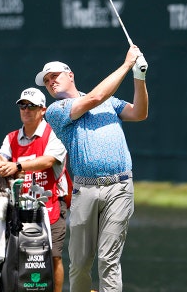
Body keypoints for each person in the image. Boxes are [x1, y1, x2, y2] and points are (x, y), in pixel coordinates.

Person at [35, 45, 148, 292]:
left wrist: (139, 78)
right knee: (80, 262)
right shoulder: (56, 110)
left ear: (70, 75)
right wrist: (127, 64)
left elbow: (139, 113)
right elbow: (94, 98)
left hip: (120, 187)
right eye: (46, 81)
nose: (51, 82)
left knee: (109, 260)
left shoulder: (111, 102)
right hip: (85, 190)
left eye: (54, 76)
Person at [0, 87, 70, 292]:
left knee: (53, 256)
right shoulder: (11, 137)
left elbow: (49, 160)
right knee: (16, 255)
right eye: (22, 105)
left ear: (43, 110)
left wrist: (18, 166)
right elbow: (1, 156)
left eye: (31, 106)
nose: (26, 109)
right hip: (20, 208)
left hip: (51, 205)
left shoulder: (55, 134)